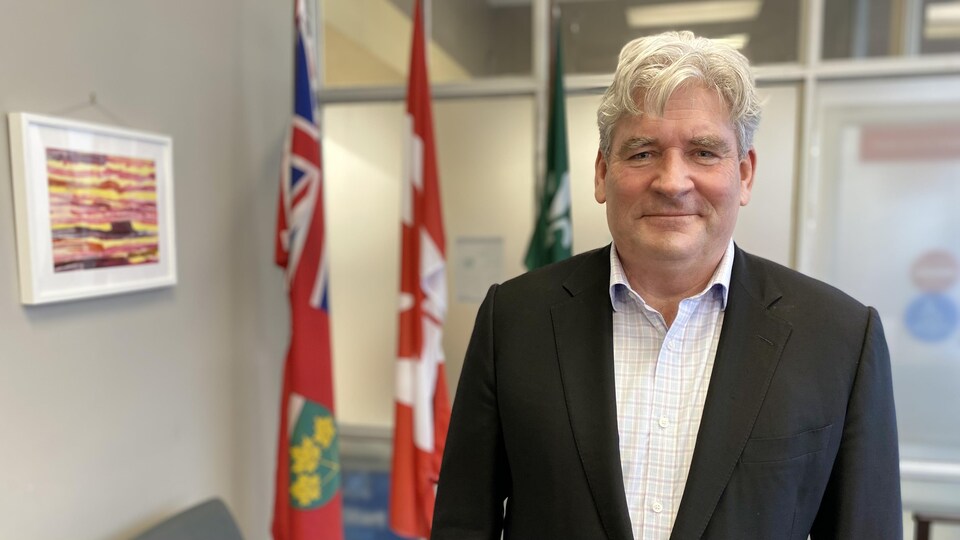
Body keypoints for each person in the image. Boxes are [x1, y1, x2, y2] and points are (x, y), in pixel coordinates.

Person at [430, 30, 902, 540]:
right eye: (642, 153)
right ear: (601, 172)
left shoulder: (839, 338)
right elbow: (463, 524)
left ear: (744, 174)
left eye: (703, 152)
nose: (672, 182)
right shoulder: (514, 320)